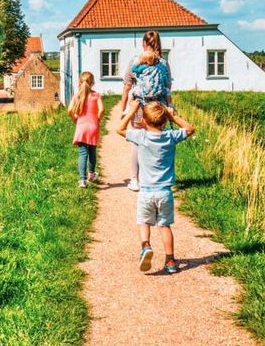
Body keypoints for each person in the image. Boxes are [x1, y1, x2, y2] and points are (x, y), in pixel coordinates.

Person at [117, 99, 195, 274]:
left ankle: (146, 246)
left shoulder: (141, 136)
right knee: (164, 226)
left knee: (144, 222)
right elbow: (190, 129)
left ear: (144, 121)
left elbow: (119, 129)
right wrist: (172, 116)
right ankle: (171, 261)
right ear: (164, 120)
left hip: (146, 191)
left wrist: (132, 110)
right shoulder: (170, 137)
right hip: (165, 192)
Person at [120, 30, 173, 191]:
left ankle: (135, 179)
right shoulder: (163, 63)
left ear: (143, 43)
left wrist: (123, 109)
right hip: (157, 107)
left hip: (139, 106)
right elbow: (168, 86)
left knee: (137, 141)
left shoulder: (136, 61)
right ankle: (156, 178)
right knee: (157, 141)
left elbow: (127, 85)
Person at [68, 71, 104, 188]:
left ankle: (82, 180)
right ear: (92, 82)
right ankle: (92, 174)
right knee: (92, 152)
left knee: (83, 154)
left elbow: (70, 110)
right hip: (93, 126)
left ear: (80, 82)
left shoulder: (77, 96)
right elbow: (102, 110)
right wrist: (97, 120)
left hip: (81, 127)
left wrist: (75, 120)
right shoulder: (96, 95)